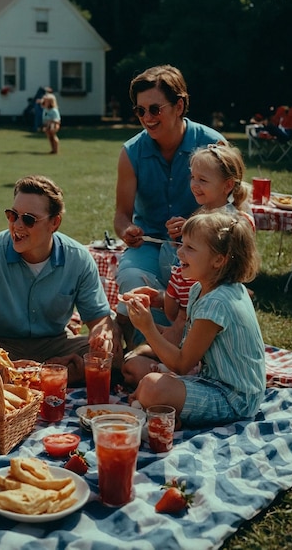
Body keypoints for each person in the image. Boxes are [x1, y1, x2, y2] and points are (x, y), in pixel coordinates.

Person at [0, 175, 118, 384]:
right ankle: (53, 374)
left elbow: (99, 318)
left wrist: (103, 334)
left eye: (28, 219)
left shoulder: (77, 258)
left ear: (54, 223)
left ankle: (29, 376)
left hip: (54, 343)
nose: (17, 225)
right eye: (12, 215)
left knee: (112, 358)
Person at [122, 141, 255, 385]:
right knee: (131, 363)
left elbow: (232, 269)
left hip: (201, 354)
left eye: (202, 180)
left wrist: (151, 326)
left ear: (227, 185)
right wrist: (160, 299)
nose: (194, 184)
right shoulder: (202, 214)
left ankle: (161, 373)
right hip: (185, 311)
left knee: (143, 376)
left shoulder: (234, 223)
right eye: (193, 177)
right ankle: (152, 365)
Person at [113, 64, 225, 349]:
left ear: (179, 105)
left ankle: (190, 350)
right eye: (140, 111)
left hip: (203, 248)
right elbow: (121, 216)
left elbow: (234, 214)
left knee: (198, 286)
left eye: (154, 109)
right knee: (130, 277)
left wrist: (195, 226)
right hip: (150, 244)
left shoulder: (212, 145)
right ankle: (145, 353)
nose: (147, 118)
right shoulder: (131, 152)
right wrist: (127, 230)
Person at [120, 212, 265, 428]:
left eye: (190, 248)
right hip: (209, 380)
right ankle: (163, 412)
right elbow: (185, 343)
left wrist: (148, 328)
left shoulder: (217, 303)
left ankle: (159, 410)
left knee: (151, 386)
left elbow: (181, 364)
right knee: (135, 369)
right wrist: (157, 301)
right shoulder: (201, 288)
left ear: (218, 260)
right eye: (182, 244)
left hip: (235, 399)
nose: (179, 252)